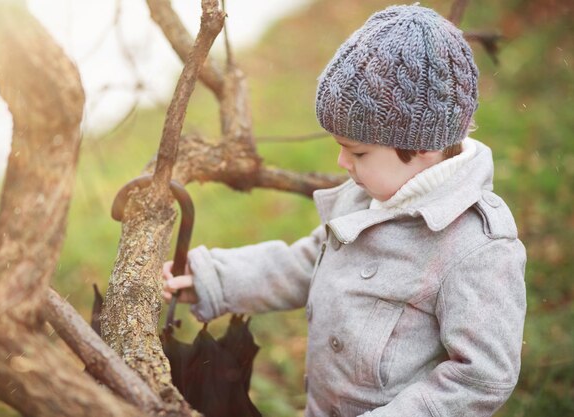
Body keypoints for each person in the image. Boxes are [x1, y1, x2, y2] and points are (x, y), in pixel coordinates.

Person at [161, 4, 527, 417]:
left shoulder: (476, 248)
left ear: (424, 146)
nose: (341, 163)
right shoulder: (368, 195)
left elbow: (481, 377)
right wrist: (214, 279)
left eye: (357, 151)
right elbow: (307, 263)